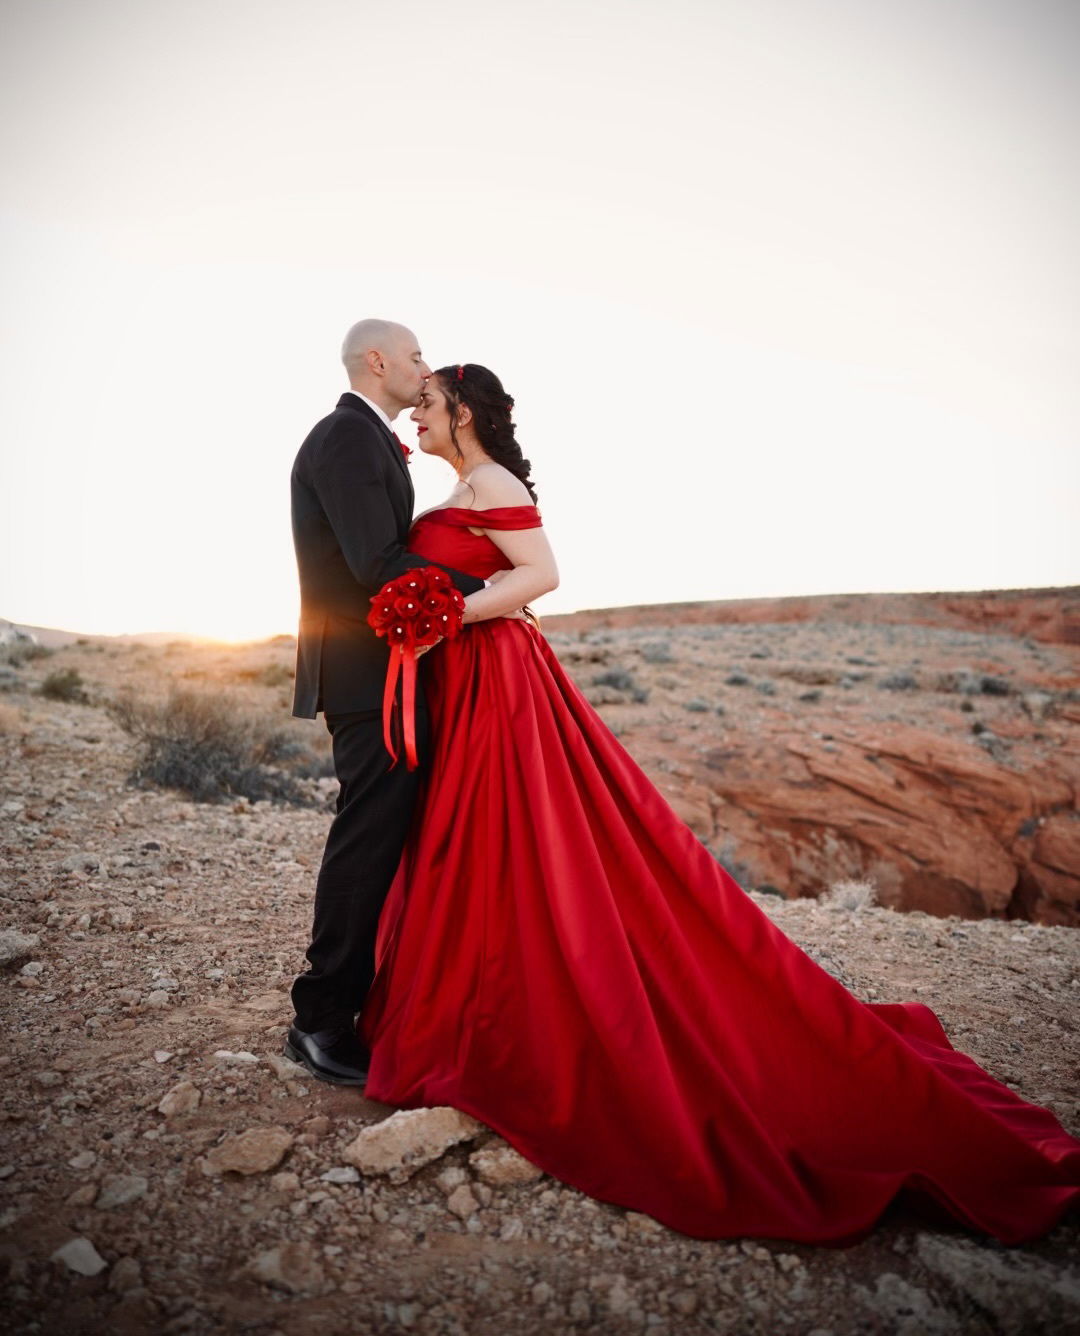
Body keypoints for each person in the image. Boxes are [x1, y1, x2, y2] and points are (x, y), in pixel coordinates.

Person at [358, 361, 1080, 1246]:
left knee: (517, 835)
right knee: (473, 839)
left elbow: (541, 573)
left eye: (427, 404)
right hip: (469, 681)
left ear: (461, 409)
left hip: (498, 680)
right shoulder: (466, 483)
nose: (417, 417)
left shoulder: (494, 481)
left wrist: (451, 612)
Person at [285, 320, 490, 1087]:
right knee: (367, 839)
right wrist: (496, 592)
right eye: (414, 357)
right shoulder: (346, 438)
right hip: (367, 677)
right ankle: (319, 1021)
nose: (423, 369)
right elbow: (377, 563)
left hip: (383, 671)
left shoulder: (366, 440)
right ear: (378, 361)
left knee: (383, 833)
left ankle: (361, 999)